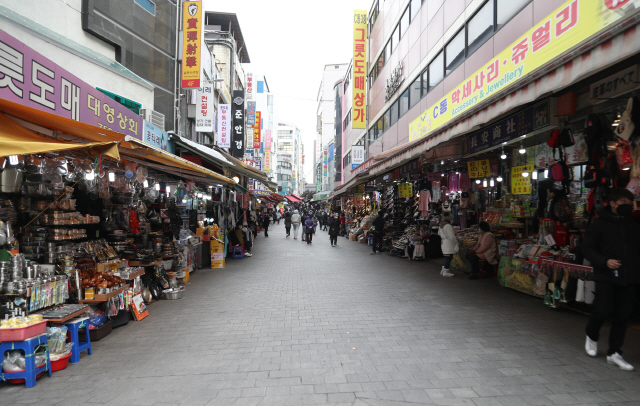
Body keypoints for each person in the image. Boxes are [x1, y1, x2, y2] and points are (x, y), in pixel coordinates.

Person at [582, 188, 640, 371]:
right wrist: (604, 261)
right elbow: (587, 249)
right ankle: (592, 335)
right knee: (601, 310)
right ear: (612, 204)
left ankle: (614, 353)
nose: (628, 207)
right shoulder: (599, 225)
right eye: (623, 203)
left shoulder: (634, 226)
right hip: (606, 276)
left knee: (622, 317)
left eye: (630, 204)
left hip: (629, 278)